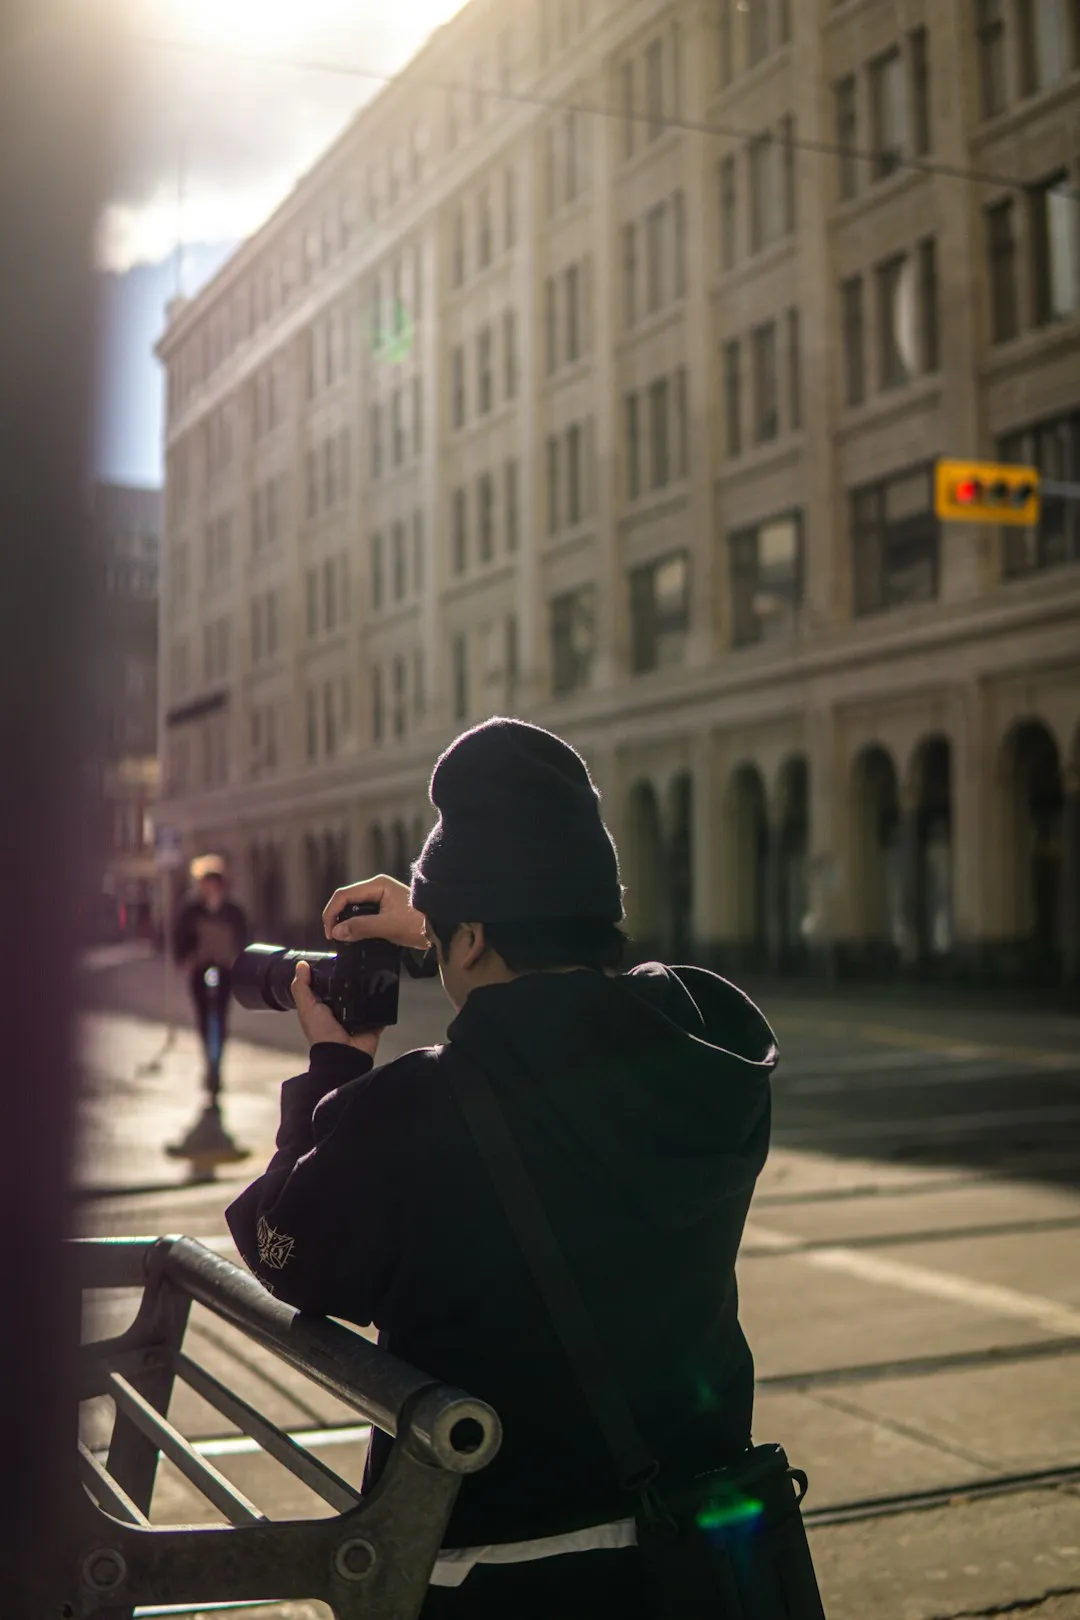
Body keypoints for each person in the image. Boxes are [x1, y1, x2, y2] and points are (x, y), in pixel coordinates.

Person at [226, 719, 776, 1618]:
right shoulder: (715, 1049)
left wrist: (334, 1071)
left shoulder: (413, 1111)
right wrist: (459, 913)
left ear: (470, 939)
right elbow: (604, 989)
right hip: (696, 1560)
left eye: (447, 938)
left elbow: (282, 1244)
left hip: (498, 1576)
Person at [172, 855, 249, 1108]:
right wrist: (184, 960)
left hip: (225, 970)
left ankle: (217, 1067)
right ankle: (209, 1064)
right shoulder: (190, 909)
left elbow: (244, 937)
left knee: (221, 1018)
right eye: (206, 882)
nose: (211, 887)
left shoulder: (233, 911)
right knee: (204, 1017)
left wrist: (240, 961)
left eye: (215, 882)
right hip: (200, 969)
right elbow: (179, 937)